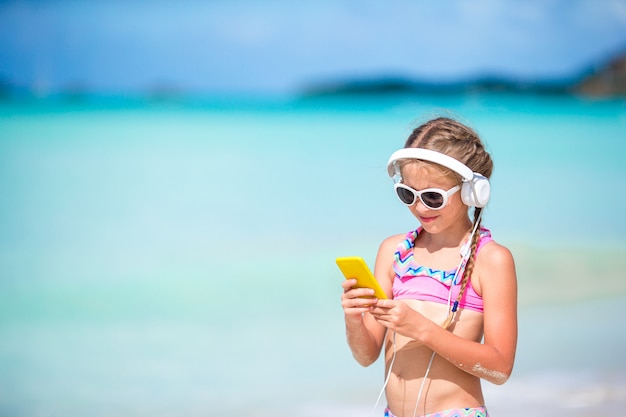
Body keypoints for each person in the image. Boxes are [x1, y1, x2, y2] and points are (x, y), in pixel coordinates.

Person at [341, 117, 517, 417]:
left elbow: (500, 368)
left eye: (433, 197)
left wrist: (421, 329)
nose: (419, 207)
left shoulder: (491, 260)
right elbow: (366, 355)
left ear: (470, 192)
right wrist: (354, 319)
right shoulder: (393, 252)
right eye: (408, 194)